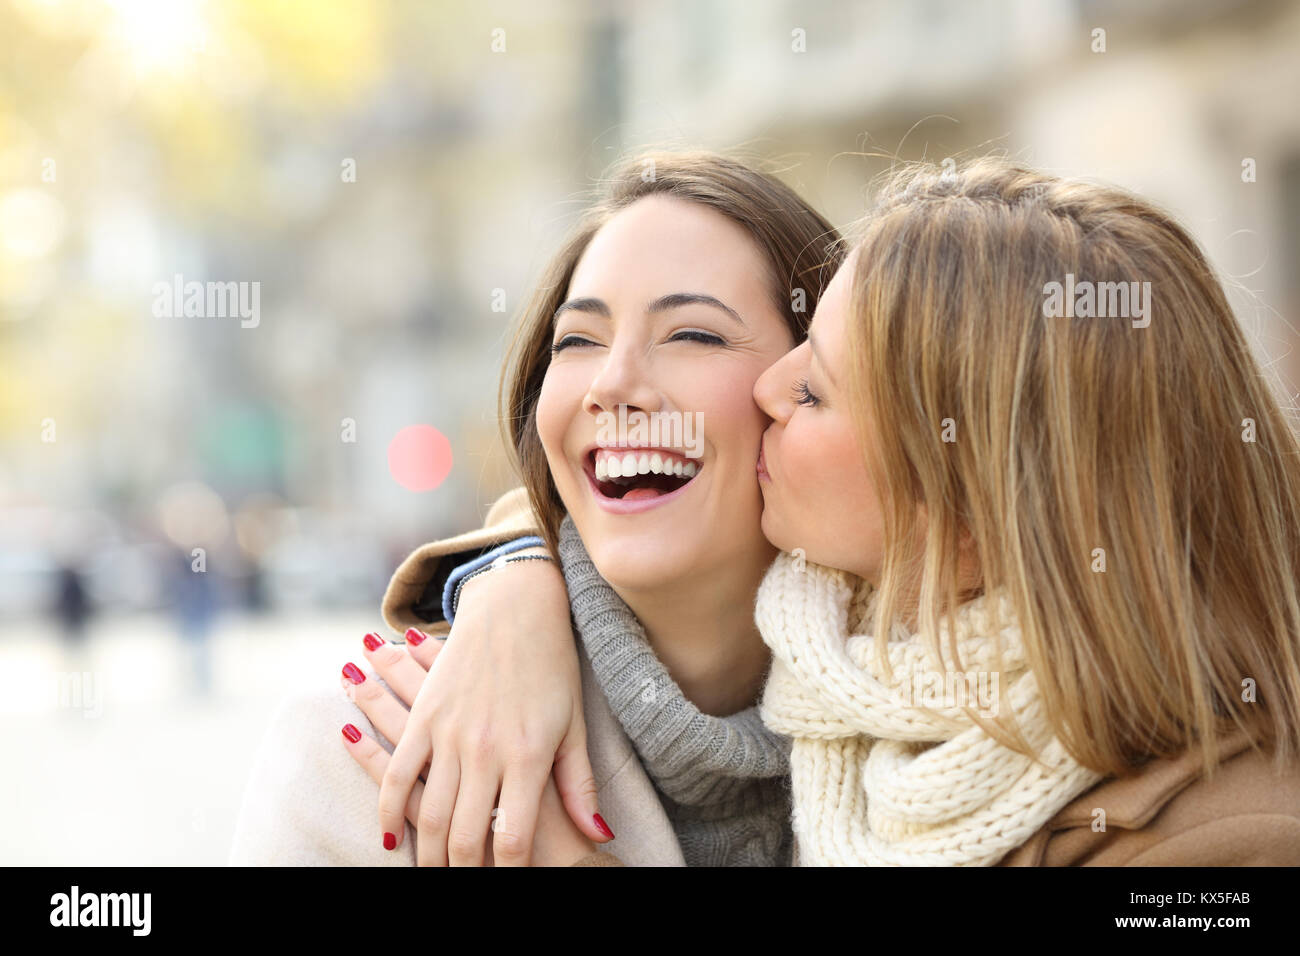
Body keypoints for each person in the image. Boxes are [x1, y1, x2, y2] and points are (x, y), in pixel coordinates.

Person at [359, 157, 1300, 865]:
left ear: (972, 506)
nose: (763, 390)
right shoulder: (849, 679)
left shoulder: (1227, 845)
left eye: (813, 391)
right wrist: (512, 582)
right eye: (579, 338)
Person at [228, 148, 842, 866]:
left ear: (815, 388)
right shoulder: (367, 764)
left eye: (693, 334)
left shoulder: (956, 728)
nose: (612, 384)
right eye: (578, 340)